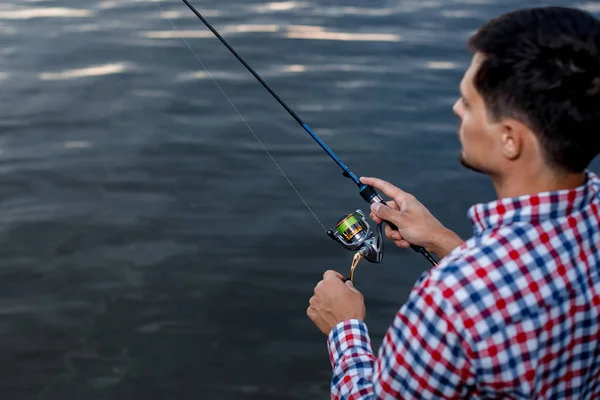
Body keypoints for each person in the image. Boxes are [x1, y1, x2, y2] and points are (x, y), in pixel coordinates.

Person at [307, 6, 600, 399]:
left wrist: (344, 328)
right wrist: (441, 239)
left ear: (510, 138)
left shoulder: (449, 300)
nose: (456, 110)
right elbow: (524, 285)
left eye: (468, 102)